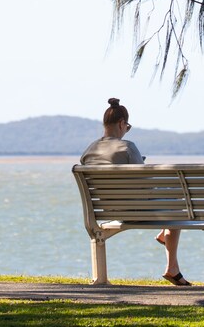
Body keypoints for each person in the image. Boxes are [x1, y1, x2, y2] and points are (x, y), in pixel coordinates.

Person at [79, 98, 191, 286]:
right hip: (135, 211)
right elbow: (146, 185)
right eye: (127, 127)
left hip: (107, 212)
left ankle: (168, 246)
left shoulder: (89, 151)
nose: (126, 131)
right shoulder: (128, 147)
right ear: (122, 124)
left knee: (173, 202)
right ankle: (171, 266)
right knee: (177, 201)